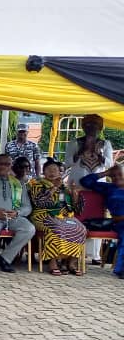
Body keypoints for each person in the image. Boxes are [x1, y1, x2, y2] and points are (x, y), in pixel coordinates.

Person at [65, 114, 116, 266]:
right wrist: (81, 151)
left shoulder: (105, 143)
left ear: (100, 128)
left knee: (97, 217)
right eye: (88, 125)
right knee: (77, 215)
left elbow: (109, 164)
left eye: (94, 125)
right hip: (77, 185)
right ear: (83, 127)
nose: (91, 128)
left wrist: (99, 154)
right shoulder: (75, 142)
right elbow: (67, 162)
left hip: (97, 186)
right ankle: (75, 251)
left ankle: (94, 255)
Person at [28, 160, 87, 276]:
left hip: (65, 217)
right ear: (43, 172)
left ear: (60, 173)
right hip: (43, 215)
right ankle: (53, 261)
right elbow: (39, 202)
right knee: (56, 227)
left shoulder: (65, 188)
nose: (52, 172)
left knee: (81, 228)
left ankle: (71, 262)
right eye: (48, 170)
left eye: (55, 170)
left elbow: (78, 210)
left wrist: (75, 195)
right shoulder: (37, 185)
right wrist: (54, 187)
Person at [80, 166, 124, 278]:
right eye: (113, 175)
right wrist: (105, 173)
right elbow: (85, 181)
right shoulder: (109, 188)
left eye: (120, 174)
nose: (116, 177)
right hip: (118, 222)